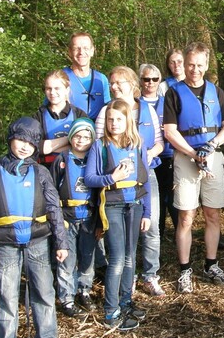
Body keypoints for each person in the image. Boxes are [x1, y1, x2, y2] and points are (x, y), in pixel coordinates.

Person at [0, 117, 69, 338]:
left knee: (44, 293)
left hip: (38, 242)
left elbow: (54, 208)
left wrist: (61, 242)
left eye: (31, 142)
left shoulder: (41, 173)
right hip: (5, 245)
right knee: (5, 296)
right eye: (20, 140)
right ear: (10, 139)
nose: (24, 146)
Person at [163, 41, 224, 293]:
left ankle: (211, 264)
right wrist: (193, 153)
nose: (194, 69)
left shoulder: (217, 92)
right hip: (186, 157)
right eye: (190, 64)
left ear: (206, 65)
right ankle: (184, 270)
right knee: (186, 216)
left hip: (212, 156)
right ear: (184, 63)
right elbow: (170, 131)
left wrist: (213, 145)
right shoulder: (173, 93)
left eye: (199, 65)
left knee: (212, 214)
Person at [96, 66, 166, 297]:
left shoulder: (146, 109)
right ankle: (128, 277)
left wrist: (145, 156)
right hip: (115, 180)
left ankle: (150, 275)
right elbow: (99, 145)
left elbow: (159, 143)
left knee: (150, 224)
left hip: (145, 176)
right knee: (119, 229)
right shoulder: (107, 111)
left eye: (120, 82)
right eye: (112, 83)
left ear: (132, 84)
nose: (115, 87)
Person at [84, 99, 152, 331]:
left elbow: (145, 181)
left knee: (131, 258)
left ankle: (125, 302)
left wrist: (147, 212)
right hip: (111, 206)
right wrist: (112, 178)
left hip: (134, 207)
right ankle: (111, 311)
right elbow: (90, 178)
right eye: (111, 119)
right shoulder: (99, 146)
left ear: (127, 121)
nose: (114, 123)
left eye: (119, 119)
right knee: (117, 259)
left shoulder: (137, 144)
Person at [49, 118, 98, 317]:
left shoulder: (95, 159)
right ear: (71, 137)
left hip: (89, 216)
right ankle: (66, 298)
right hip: (67, 217)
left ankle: (84, 290)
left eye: (86, 137)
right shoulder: (62, 159)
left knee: (87, 257)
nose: (81, 140)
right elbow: (51, 189)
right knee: (67, 260)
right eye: (78, 136)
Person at [141, 63, 179, 240]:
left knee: (170, 195)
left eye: (154, 79)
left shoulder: (168, 102)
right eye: (146, 79)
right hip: (145, 158)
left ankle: (179, 233)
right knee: (152, 197)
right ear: (140, 81)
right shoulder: (136, 104)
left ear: (159, 81)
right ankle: (156, 233)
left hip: (168, 154)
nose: (150, 83)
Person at [33, 70, 88, 166]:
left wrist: (49, 147)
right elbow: (36, 147)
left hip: (74, 167)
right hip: (46, 170)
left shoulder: (79, 115)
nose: (52, 92)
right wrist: (70, 140)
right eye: (48, 89)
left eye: (57, 88)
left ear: (67, 89)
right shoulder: (38, 116)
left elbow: (85, 145)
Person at [63, 32, 110, 121]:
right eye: (76, 48)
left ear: (92, 51)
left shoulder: (101, 79)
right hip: (69, 130)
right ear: (69, 51)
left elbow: (108, 109)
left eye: (86, 48)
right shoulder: (60, 78)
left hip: (97, 131)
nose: (81, 52)